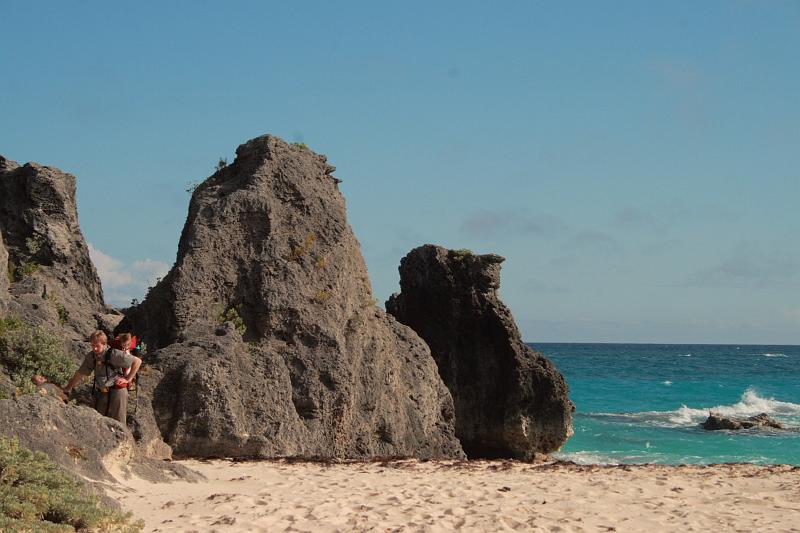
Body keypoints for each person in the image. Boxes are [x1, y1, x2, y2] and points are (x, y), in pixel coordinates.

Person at [62, 330, 141, 425]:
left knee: (119, 423)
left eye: (97, 346)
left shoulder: (113, 354)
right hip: (102, 391)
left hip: (118, 391)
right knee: (100, 422)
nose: (94, 348)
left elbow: (137, 361)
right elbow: (80, 373)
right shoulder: (91, 356)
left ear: (104, 344)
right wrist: (68, 388)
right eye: (92, 345)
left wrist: (127, 379)